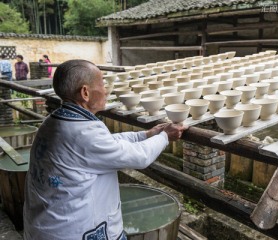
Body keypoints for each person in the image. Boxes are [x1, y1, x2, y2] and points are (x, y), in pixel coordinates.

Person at [23, 59, 187, 240]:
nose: (106, 90)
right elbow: (139, 157)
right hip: (71, 231)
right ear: (85, 92)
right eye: (102, 84)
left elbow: (107, 143)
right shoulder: (82, 132)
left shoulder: (56, 120)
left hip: (46, 224)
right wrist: (165, 137)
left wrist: (146, 135)